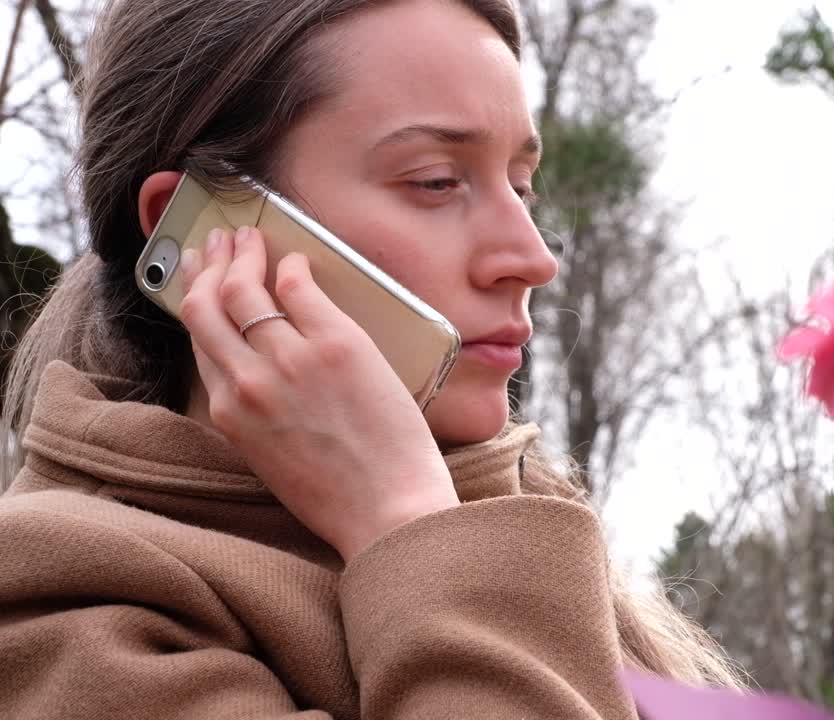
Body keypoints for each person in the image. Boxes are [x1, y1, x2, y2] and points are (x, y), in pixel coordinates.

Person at [0, 0, 740, 717]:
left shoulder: (552, 550)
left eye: (522, 187)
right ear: (199, 234)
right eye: (435, 181)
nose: (533, 258)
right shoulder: (67, 617)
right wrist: (404, 519)